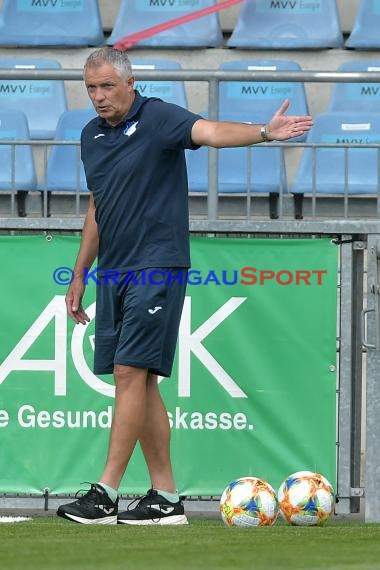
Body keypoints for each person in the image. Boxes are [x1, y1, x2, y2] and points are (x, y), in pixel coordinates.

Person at [57, 47, 313, 526]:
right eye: (91, 88)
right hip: (113, 269)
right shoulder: (90, 135)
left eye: (108, 86)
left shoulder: (159, 118)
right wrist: (79, 272)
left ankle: (105, 492)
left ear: (130, 83)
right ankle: (166, 498)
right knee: (139, 378)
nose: (99, 97)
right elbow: (98, 205)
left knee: (131, 371)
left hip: (157, 264)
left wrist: (263, 132)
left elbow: (211, 132)